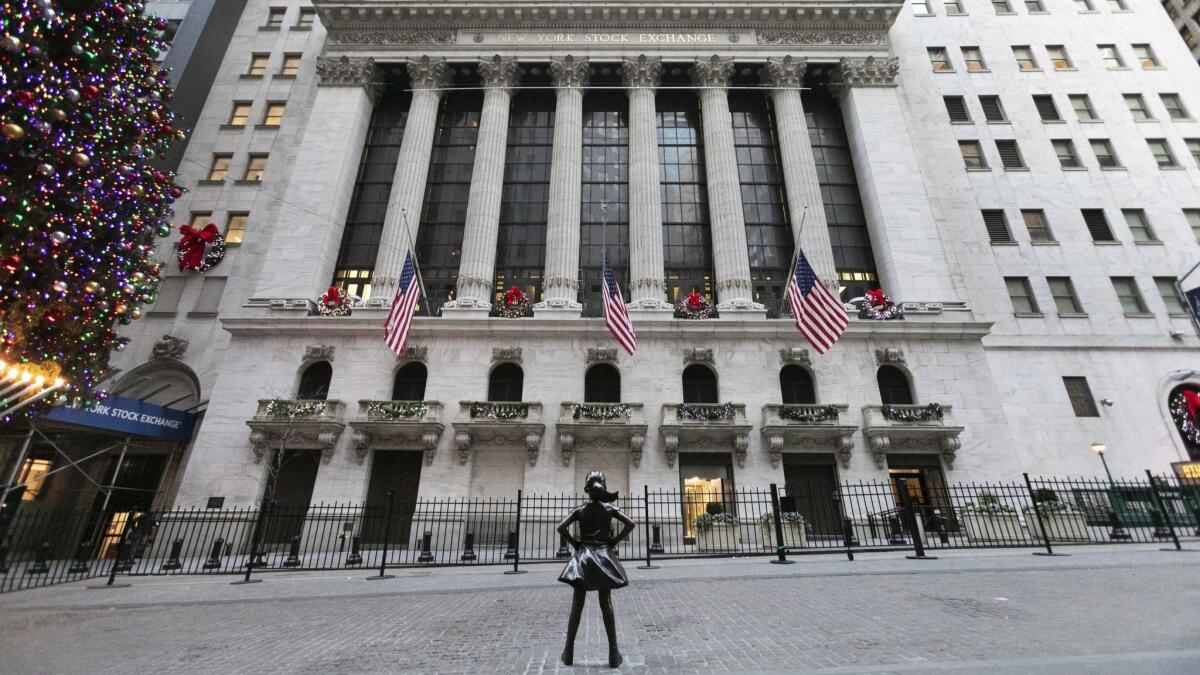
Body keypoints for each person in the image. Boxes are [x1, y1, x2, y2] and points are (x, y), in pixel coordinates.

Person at [557, 471, 636, 668]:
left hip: (584, 558)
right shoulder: (609, 508)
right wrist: (614, 541)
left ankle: (568, 652)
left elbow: (561, 527)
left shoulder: (580, 510)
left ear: (587, 489)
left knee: (577, 605)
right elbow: (630, 523)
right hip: (603, 556)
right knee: (605, 603)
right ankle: (613, 653)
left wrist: (576, 544)